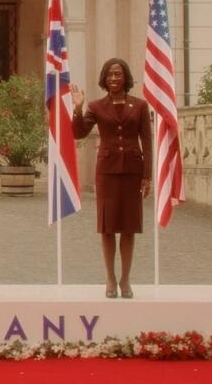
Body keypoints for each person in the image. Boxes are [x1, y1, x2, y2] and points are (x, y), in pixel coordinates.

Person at [70, 58, 152, 299]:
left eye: (118, 74)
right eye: (110, 75)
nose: (114, 79)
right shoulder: (96, 106)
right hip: (106, 172)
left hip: (132, 171)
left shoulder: (139, 106)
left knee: (129, 227)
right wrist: (77, 108)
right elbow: (79, 133)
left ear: (126, 77)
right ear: (104, 80)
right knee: (107, 227)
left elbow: (147, 140)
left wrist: (147, 175)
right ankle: (110, 278)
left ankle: (125, 279)